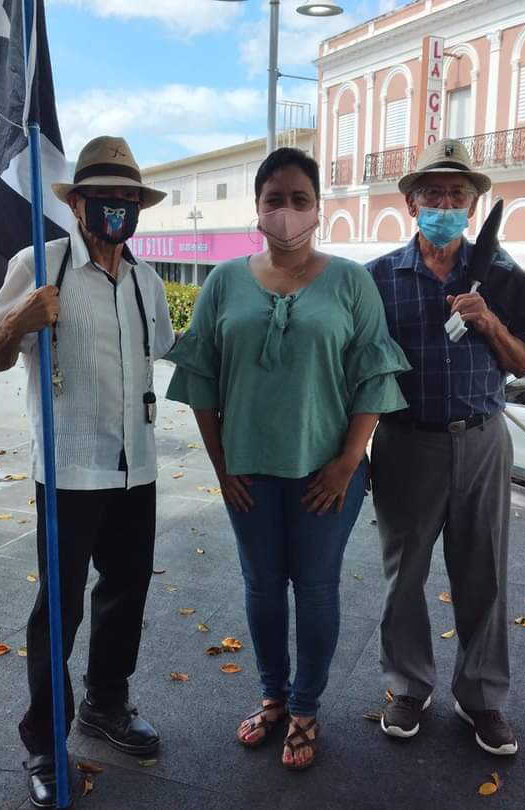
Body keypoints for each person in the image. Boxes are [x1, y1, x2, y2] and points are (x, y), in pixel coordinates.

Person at [166, 147, 410, 771]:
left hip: (327, 475)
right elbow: (202, 380)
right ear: (257, 207)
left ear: (319, 209)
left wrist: (347, 463)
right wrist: (222, 468)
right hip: (248, 473)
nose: (286, 211)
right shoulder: (223, 281)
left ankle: (305, 708)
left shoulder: (349, 282)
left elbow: (373, 379)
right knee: (262, 587)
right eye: (274, 198)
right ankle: (273, 695)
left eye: (300, 199)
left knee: (318, 587)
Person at [0, 136, 174, 808]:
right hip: (68, 470)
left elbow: (168, 353)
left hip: (134, 468)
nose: (117, 211)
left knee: (125, 591)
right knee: (55, 612)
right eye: (105, 200)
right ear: (80, 204)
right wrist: (19, 321)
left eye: (128, 201)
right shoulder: (41, 264)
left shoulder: (148, 281)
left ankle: (106, 704)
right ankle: (42, 741)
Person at [364, 139, 525, 757]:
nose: (445, 203)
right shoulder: (376, 280)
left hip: (482, 442)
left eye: (458, 194)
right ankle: (408, 686)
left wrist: (490, 321)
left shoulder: (501, 274)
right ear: (410, 202)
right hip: (404, 443)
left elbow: (523, 365)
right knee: (403, 577)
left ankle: (483, 699)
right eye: (433, 193)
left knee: (484, 575)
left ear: (473, 204)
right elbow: (358, 370)